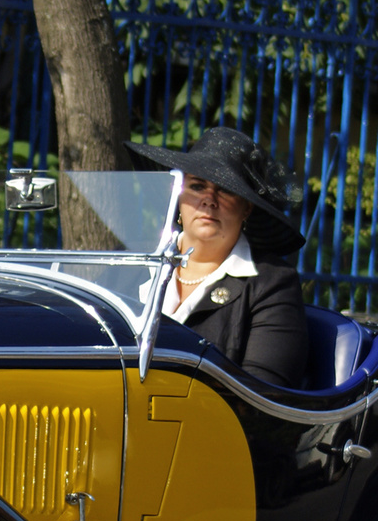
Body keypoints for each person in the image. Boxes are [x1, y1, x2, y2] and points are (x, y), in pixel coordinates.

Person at [128, 128, 309, 388]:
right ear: (178, 197)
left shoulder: (273, 284)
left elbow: (263, 396)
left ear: (247, 207)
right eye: (197, 186)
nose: (208, 200)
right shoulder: (134, 264)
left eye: (225, 189)